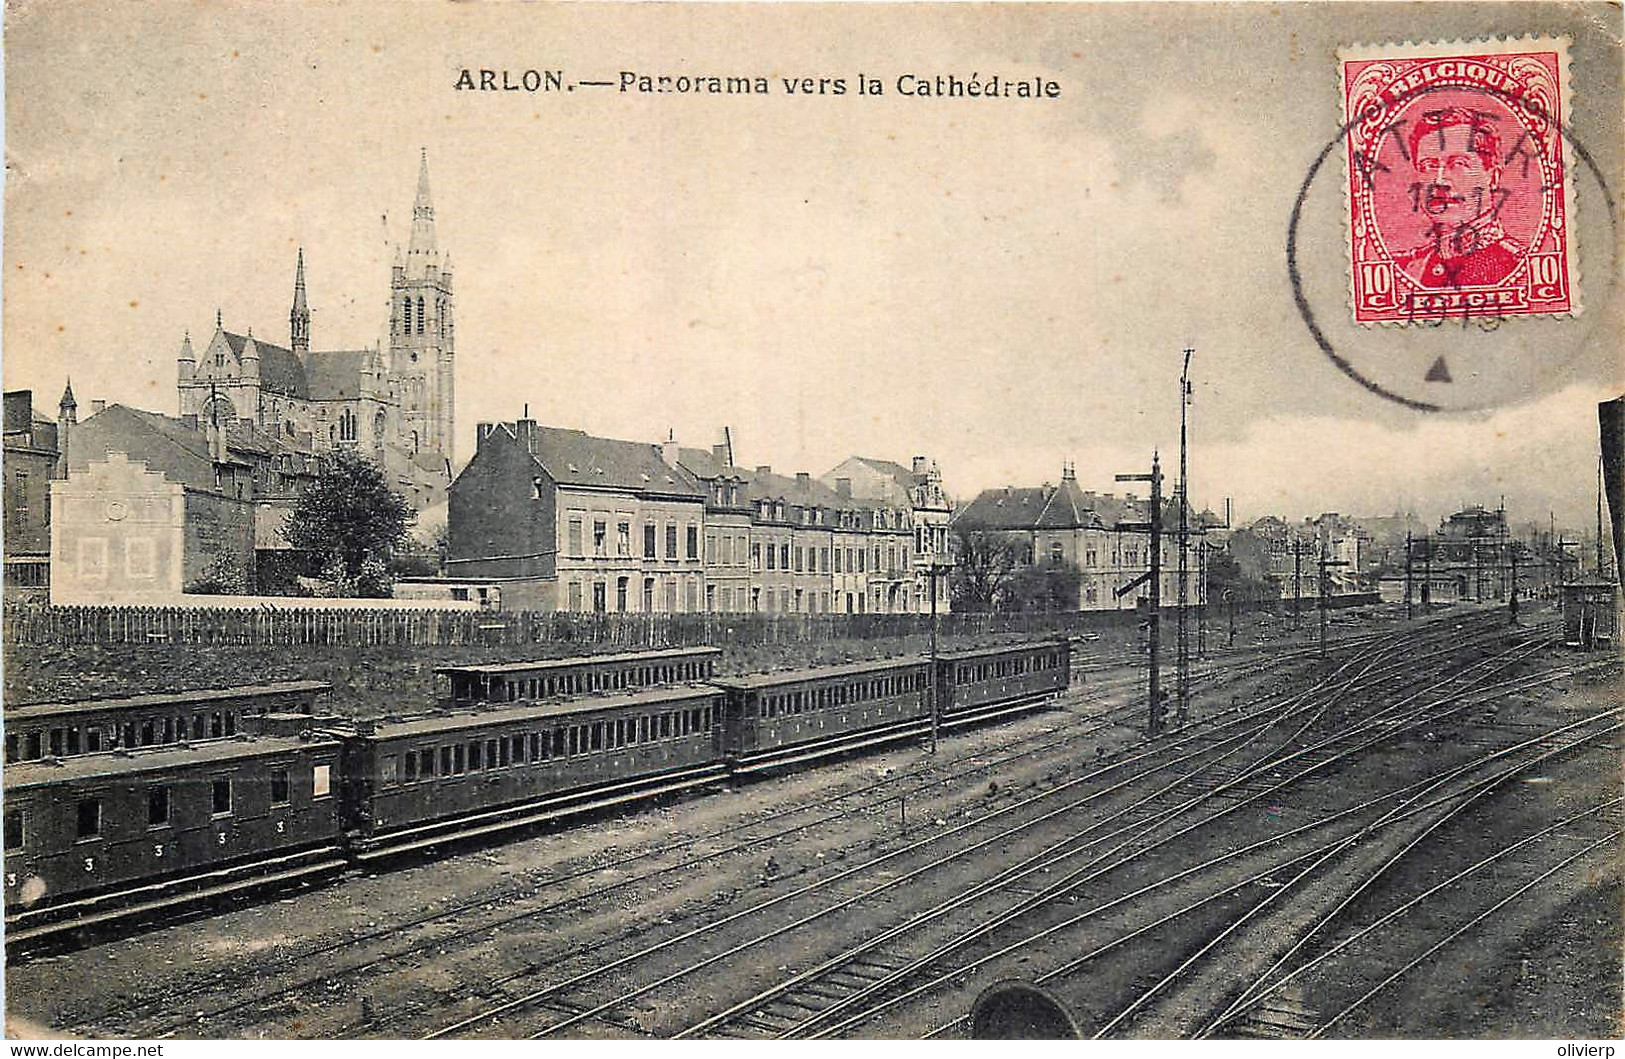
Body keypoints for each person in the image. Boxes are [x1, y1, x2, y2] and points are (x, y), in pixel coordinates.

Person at [1393, 106, 1522, 288]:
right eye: (1428, 166)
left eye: (1458, 164)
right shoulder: (1405, 268)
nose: (1439, 180)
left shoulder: (1521, 266)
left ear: (1493, 177)